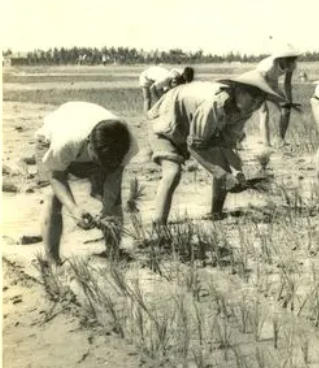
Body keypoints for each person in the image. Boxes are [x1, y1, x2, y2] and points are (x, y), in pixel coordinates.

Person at [147, 73, 286, 224]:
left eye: (260, 103)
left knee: (223, 167)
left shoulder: (243, 109)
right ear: (239, 92)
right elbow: (194, 147)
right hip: (165, 122)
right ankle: (159, 224)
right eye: (252, 100)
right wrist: (224, 175)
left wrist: (237, 172)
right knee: (172, 172)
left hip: (190, 125)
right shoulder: (214, 104)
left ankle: (215, 215)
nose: (255, 106)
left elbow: (227, 144)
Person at [35, 102, 139, 265]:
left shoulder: (127, 144)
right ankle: (52, 261)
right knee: (53, 198)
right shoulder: (67, 141)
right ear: (89, 143)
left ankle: (113, 254)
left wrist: (107, 208)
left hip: (96, 147)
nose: (101, 166)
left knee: (113, 200)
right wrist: (75, 209)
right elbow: (56, 177)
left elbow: (114, 177)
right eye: (99, 160)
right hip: (50, 141)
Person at [255, 45, 300, 147]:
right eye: (289, 60)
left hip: (273, 84)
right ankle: (266, 143)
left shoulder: (292, 65)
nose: (291, 63)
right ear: (282, 59)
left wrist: (289, 101)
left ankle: (280, 139)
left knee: (286, 109)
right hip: (258, 85)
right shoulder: (268, 66)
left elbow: (287, 84)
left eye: (293, 60)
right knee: (264, 112)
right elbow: (261, 84)